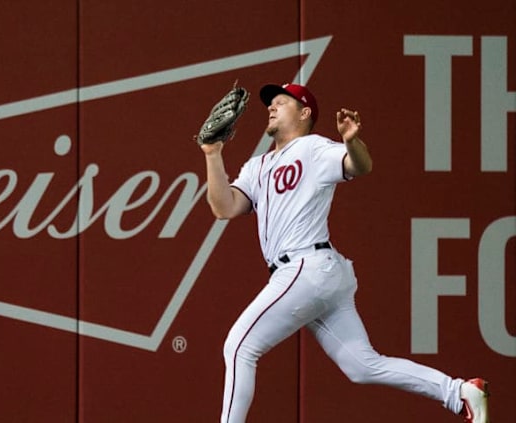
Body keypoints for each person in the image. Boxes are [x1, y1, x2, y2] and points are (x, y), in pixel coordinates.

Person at [199, 83, 490, 423]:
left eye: (281, 102)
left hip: (306, 266)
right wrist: (212, 154)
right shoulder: (257, 166)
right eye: (271, 103)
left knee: (239, 346)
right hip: (317, 275)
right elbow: (225, 207)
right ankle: (458, 392)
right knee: (362, 365)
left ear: (305, 113)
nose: (272, 107)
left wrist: (351, 139)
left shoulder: (313, 148)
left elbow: (359, 165)